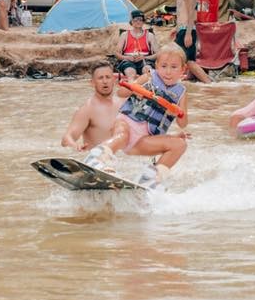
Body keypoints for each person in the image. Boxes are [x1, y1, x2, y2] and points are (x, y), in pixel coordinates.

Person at [83, 44, 190, 189]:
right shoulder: (148, 77)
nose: (168, 72)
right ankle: (96, 159)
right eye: (164, 66)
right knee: (122, 135)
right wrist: (135, 90)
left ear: (183, 70)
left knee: (180, 144)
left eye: (174, 67)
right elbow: (120, 93)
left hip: (145, 139)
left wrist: (177, 112)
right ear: (157, 66)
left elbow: (183, 123)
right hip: (126, 122)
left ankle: (151, 179)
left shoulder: (181, 93)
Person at [61, 61, 121, 151]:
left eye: (108, 77)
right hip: (97, 159)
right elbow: (67, 138)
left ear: (114, 80)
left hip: (121, 160)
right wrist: (75, 146)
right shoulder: (88, 110)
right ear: (92, 83)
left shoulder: (121, 105)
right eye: (100, 78)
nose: (105, 81)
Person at [167, 0, 211, 83]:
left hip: (187, 30)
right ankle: (192, 78)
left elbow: (192, 13)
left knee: (187, 60)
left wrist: (188, 33)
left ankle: (209, 83)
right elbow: (183, 13)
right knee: (186, 58)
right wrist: (176, 28)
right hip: (182, 29)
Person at [116, 10, 156, 80]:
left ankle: (147, 89)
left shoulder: (149, 35)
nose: (138, 22)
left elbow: (157, 54)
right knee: (130, 73)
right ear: (131, 21)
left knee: (148, 71)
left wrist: (145, 57)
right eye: (135, 20)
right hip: (128, 60)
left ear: (143, 21)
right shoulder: (124, 35)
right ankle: (132, 88)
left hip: (145, 60)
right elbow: (116, 53)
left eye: (140, 19)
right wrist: (126, 57)